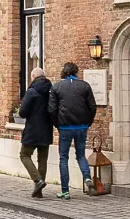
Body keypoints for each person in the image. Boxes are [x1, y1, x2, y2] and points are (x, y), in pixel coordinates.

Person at [49, 60, 96, 197]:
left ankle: (65, 191)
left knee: (63, 158)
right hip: (81, 127)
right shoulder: (85, 86)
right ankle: (87, 178)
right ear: (76, 72)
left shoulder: (56, 87)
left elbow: (52, 109)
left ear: (64, 72)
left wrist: (57, 123)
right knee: (80, 155)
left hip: (65, 127)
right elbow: (92, 107)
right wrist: (88, 122)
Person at [17, 67, 53, 198]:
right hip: (47, 129)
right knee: (42, 160)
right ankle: (39, 191)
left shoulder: (32, 91)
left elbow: (22, 112)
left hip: (32, 129)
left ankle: (38, 180)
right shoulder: (51, 90)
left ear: (33, 77)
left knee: (24, 155)